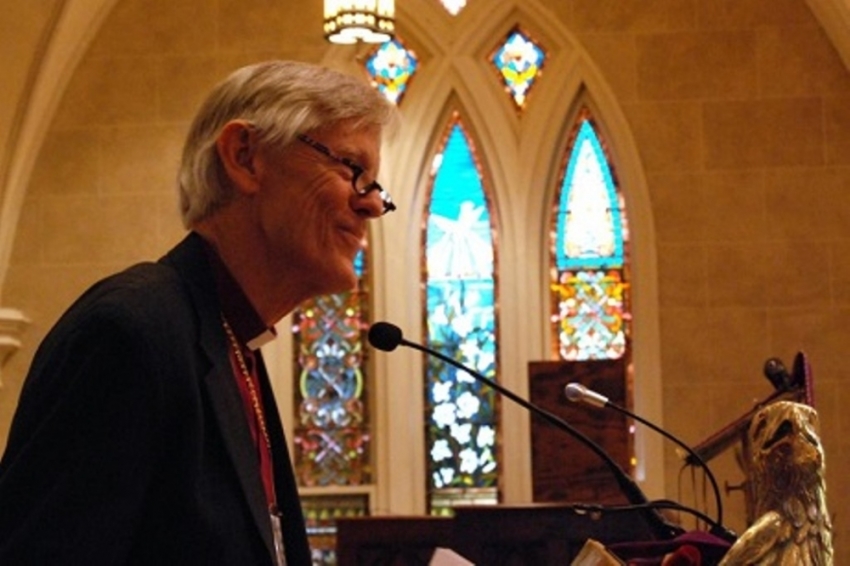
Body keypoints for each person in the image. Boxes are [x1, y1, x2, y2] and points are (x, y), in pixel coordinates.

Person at [0, 59, 398, 566]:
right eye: (352, 169)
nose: (370, 205)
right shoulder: (131, 334)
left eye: (375, 185)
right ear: (245, 157)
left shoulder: (234, 341)